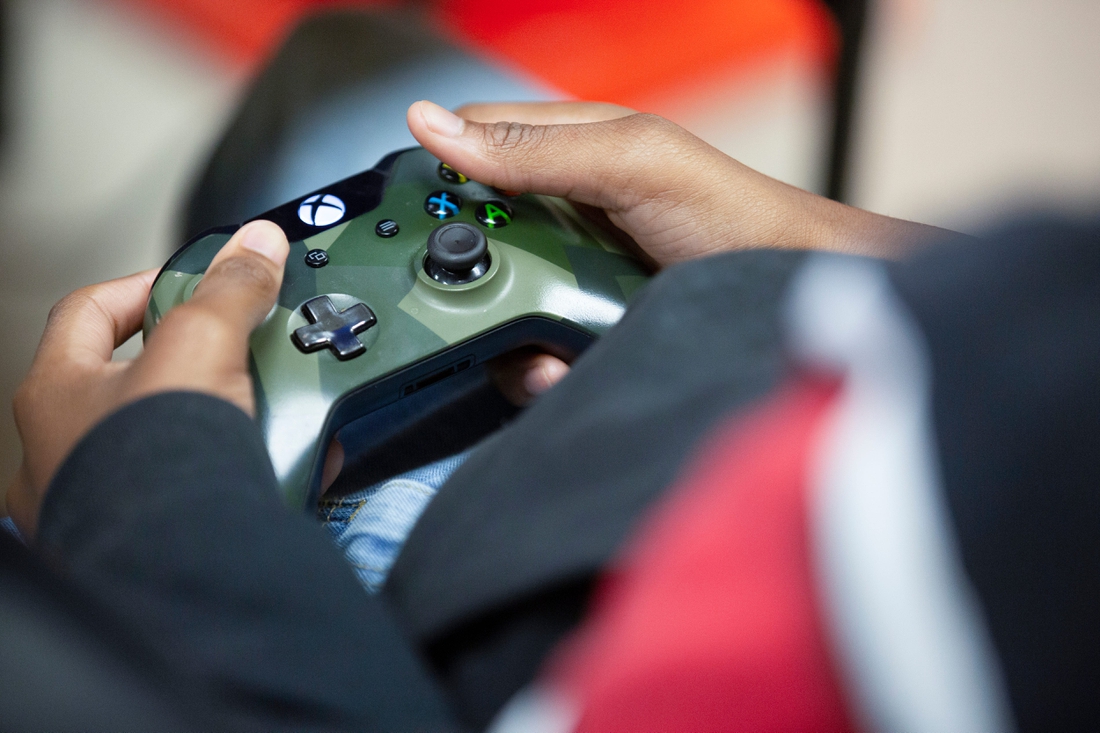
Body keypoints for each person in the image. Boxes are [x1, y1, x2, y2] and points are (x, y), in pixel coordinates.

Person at [3, 101, 1096, 731]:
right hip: (697, 392)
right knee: (389, 129)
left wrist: (140, 505)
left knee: (332, 107)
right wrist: (793, 243)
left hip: (417, 649)